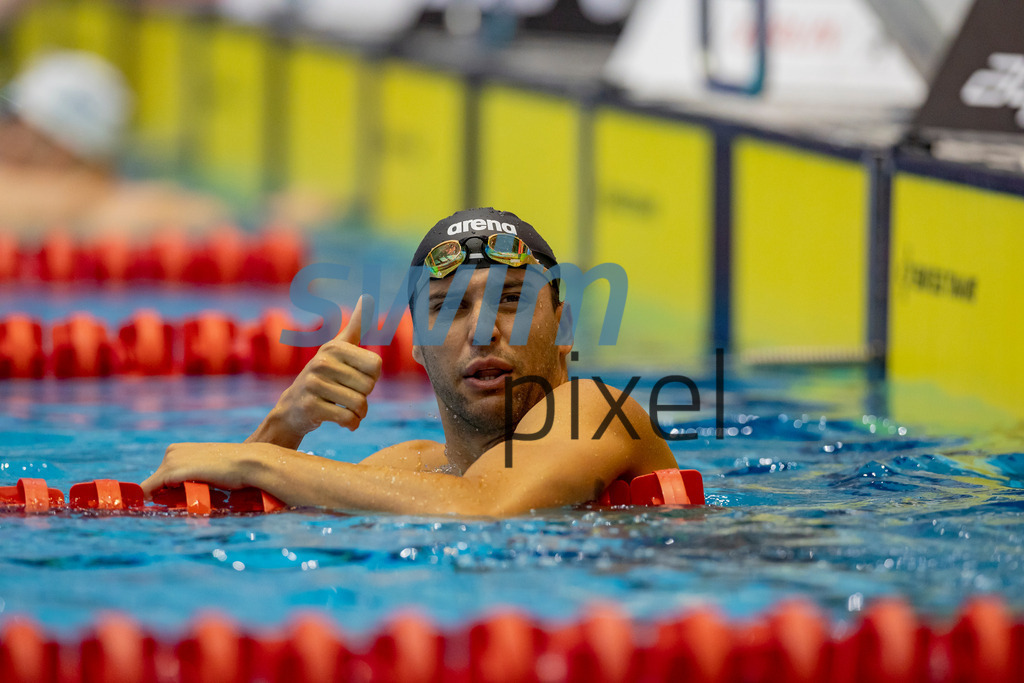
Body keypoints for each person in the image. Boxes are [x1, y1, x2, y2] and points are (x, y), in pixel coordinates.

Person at [140, 207, 677, 515]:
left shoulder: (594, 410)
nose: (484, 329)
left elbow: (485, 510)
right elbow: (238, 529)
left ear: (563, 326)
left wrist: (258, 460)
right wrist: (285, 425)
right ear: (417, 343)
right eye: (451, 308)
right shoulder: (407, 470)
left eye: (510, 299)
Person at [0, 49, 227, 236]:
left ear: (58, 146)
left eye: (12, 120)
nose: (3, 131)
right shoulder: (130, 209)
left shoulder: (141, 210)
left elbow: (206, 215)